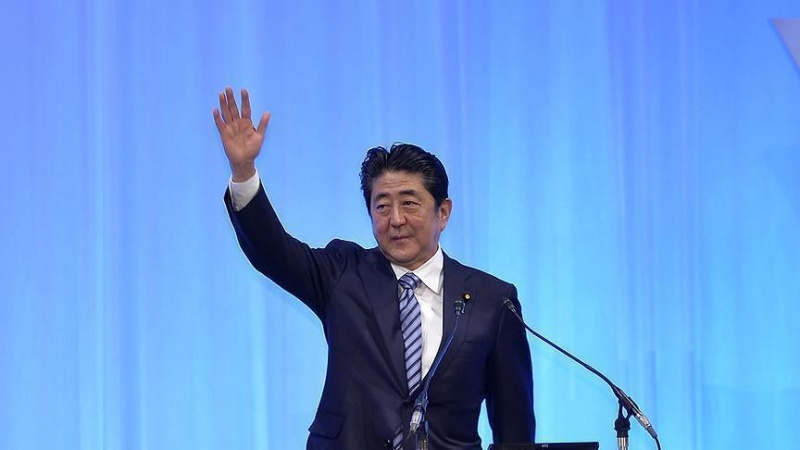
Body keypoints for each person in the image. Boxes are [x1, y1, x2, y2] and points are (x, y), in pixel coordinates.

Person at [214, 87, 535, 449]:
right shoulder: (342, 274)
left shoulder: (493, 301)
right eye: (382, 206)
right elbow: (272, 251)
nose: (395, 219)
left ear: (443, 212)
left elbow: (515, 429)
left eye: (409, 203)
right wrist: (243, 172)